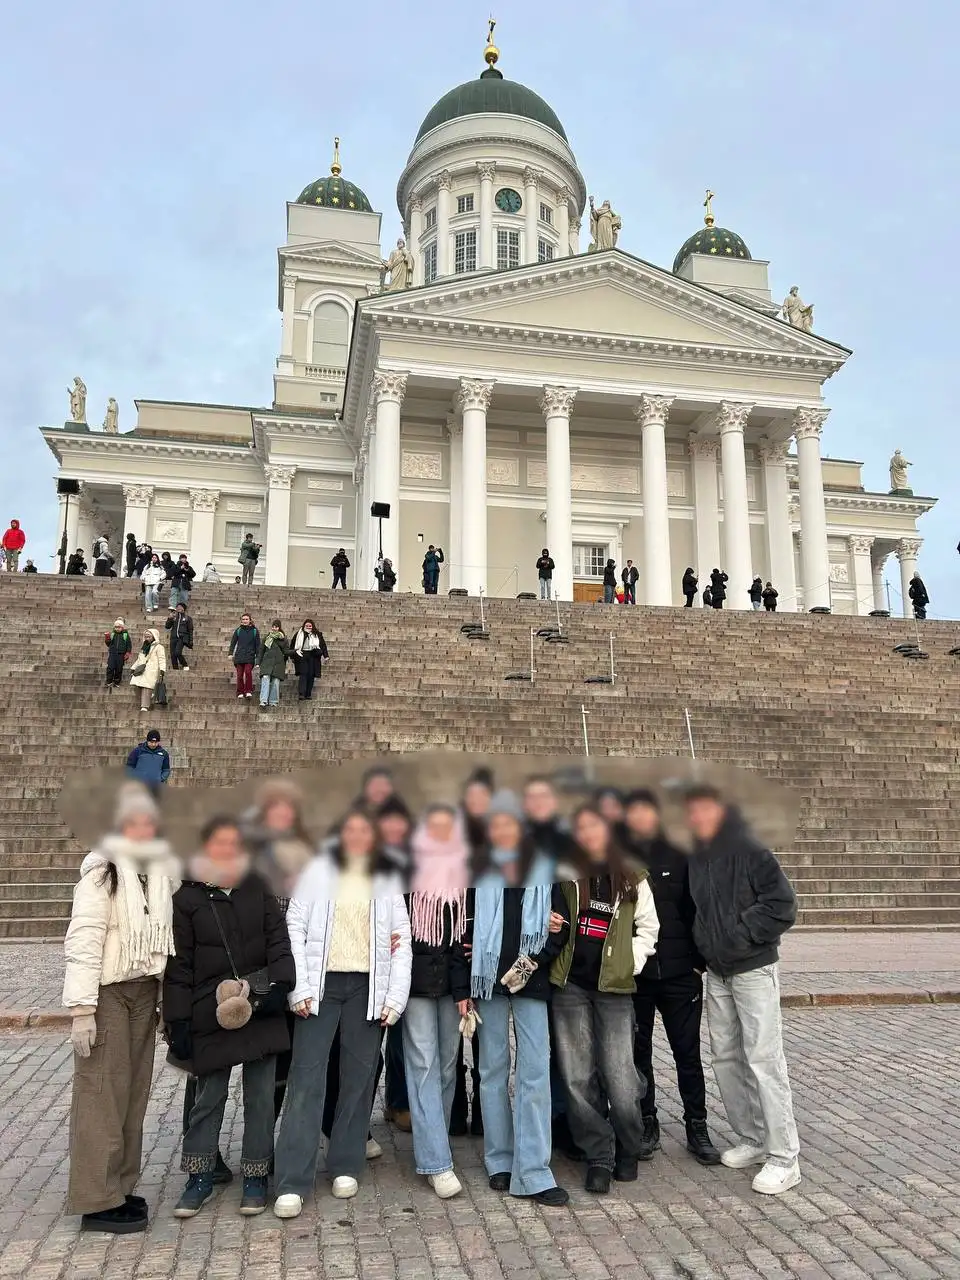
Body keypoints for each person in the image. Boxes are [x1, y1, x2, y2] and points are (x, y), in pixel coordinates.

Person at [272, 809, 412, 1217]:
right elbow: (294, 927)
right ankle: (292, 1179)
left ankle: (346, 1163)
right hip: (321, 986)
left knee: (358, 1077)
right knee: (306, 1078)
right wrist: (298, 987)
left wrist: (394, 997)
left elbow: (400, 939)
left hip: (367, 988)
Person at [63, 782, 179, 1234]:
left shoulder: (161, 874)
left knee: (133, 1096)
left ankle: (120, 1186)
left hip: (144, 995)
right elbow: (84, 940)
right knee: (100, 1096)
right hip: (109, 995)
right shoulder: (101, 874)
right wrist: (81, 1010)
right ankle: (96, 1198)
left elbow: (164, 943)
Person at [165, 816, 295, 1218]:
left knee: (261, 1096)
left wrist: (279, 985)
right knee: (209, 1095)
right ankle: (200, 1174)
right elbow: (179, 965)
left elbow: (279, 942)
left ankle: (256, 1173)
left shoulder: (258, 889)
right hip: (209, 1007)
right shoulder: (186, 899)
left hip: (259, 1000)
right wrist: (177, 1021)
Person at [684, 785, 800, 1195]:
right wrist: (705, 949)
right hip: (717, 972)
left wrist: (739, 936)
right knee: (726, 1058)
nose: (698, 818)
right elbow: (697, 911)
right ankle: (752, 1137)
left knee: (763, 1059)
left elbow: (782, 905)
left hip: (753, 967)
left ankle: (784, 1156)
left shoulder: (750, 849)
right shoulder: (696, 857)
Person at [468, 790, 570, 1206]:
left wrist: (531, 964)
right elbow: (466, 924)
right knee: (491, 1071)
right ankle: (500, 1160)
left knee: (534, 1071)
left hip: (532, 981)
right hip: (488, 983)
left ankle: (534, 1170)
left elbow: (561, 925)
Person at [550, 804, 659, 1193]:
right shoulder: (564, 874)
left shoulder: (631, 875)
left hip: (614, 988)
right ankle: (598, 1153)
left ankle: (628, 1146)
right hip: (571, 986)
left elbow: (649, 927)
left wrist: (631, 962)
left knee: (621, 1074)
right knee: (577, 1076)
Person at [620, 790, 720, 1167]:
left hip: (680, 973)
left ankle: (697, 1126)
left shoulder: (680, 855)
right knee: (638, 1053)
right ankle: (647, 1121)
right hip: (638, 975)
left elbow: (698, 910)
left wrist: (697, 963)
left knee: (687, 1053)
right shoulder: (622, 860)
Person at [402, 806, 472, 1198]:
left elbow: (462, 941)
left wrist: (462, 991)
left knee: (447, 1067)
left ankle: (436, 1142)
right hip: (414, 987)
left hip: (450, 987)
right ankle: (437, 1162)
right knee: (423, 1065)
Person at [129, 628, 166, 714]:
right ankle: (148, 697)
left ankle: (144, 706)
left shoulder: (159, 647)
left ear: (154, 637)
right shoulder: (144, 647)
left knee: (146, 687)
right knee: (136, 686)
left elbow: (162, 659)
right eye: (146, 637)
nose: (147, 638)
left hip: (151, 670)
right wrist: (133, 667)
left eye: (149, 637)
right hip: (141, 669)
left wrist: (162, 670)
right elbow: (139, 659)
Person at [292, 618, 328, 702]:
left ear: (312, 626)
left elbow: (323, 645)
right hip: (302, 654)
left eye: (310, 626)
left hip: (313, 655)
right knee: (303, 673)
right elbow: (293, 644)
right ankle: (301, 693)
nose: (308, 627)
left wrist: (326, 656)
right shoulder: (299, 634)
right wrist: (292, 656)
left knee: (311, 675)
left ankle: (308, 694)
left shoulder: (317, 634)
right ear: (304, 626)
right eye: (307, 626)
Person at [257, 619, 289, 709]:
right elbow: (261, 650)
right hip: (266, 662)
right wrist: (258, 662)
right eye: (273, 626)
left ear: (279, 628)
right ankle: (263, 700)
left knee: (275, 682)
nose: (274, 628)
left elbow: (286, 651)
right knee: (265, 678)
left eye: (276, 627)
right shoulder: (267, 637)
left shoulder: (283, 639)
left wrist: (295, 651)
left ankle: (273, 701)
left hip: (278, 663)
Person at [229, 612, 260, 700]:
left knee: (248, 672)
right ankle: (240, 692)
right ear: (241, 621)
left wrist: (258, 659)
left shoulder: (255, 631)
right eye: (243, 619)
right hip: (239, 656)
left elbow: (258, 646)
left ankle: (248, 691)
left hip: (250, 656)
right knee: (239, 675)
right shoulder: (238, 630)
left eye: (246, 619)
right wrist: (230, 653)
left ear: (250, 620)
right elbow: (233, 642)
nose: (245, 621)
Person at [104, 617, 132, 689]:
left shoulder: (125, 635)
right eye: (116, 627)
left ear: (122, 627)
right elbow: (108, 644)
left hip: (121, 654)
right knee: (110, 667)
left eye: (119, 627)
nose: (117, 629)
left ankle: (116, 682)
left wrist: (128, 653)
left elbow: (129, 644)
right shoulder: (112, 634)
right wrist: (107, 639)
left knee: (119, 669)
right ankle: (109, 681)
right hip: (112, 654)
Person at [165, 603, 194, 671]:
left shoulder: (188, 618)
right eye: (177, 607)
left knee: (177, 652)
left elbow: (190, 630)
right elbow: (167, 626)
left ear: (184, 609)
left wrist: (191, 640)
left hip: (181, 638)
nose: (179, 608)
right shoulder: (174, 617)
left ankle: (185, 664)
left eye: (180, 607)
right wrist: (169, 619)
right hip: (173, 638)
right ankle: (175, 669)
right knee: (173, 655)